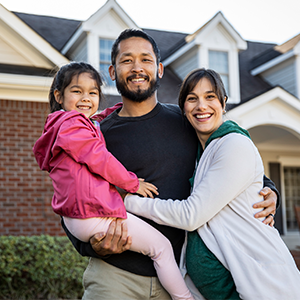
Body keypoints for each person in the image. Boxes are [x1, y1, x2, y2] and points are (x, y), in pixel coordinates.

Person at [61, 30, 279, 300]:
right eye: (127, 60)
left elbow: (233, 157)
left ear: (160, 69)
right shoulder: (96, 135)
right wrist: (93, 248)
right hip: (115, 276)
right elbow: (68, 197)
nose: (137, 67)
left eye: (146, 60)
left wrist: (270, 189)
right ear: (112, 72)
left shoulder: (188, 119)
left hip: (178, 278)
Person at [124, 68, 300, 299]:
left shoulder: (234, 144)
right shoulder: (200, 150)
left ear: (224, 103)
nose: (201, 106)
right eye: (192, 99)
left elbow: (191, 215)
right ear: (183, 108)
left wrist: (127, 201)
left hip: (261, 285)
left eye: (210, 97)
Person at [33, 61, 195, 300]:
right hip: (95, 219)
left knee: (159, 250)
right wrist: (133, 183)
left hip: (79, 218)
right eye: (77, 91)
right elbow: (100, 158)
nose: (85, 97)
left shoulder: (67, 126)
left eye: (93, 92)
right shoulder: (73, 127)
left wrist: (111, 112)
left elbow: (94, 123)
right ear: (59, 95)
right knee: (161, 249)